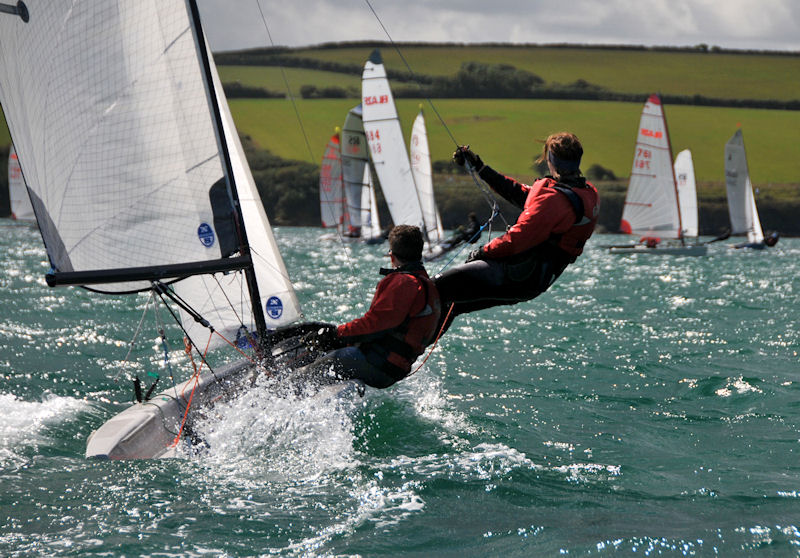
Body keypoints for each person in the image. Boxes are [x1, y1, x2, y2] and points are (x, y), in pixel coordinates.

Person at [433, 132, 599, 332]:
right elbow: (517, 192)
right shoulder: (584, 192)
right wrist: (479, 166)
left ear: (551, 160)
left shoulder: (555, 200)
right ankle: (407, 356)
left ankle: (402, 351)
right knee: (453, 304)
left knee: (437, 287)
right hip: (531, 280)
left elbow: (517, 240)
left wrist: (483, 252)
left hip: (519, 275)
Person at [292, 225, 442, 390]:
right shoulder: (427, 284)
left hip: (379, 364)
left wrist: (335, 334)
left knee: (303, 376)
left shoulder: (404, 282)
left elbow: (374, 325)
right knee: (327, 344)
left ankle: (281, 392)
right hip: (394, 367)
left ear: (392, 256)